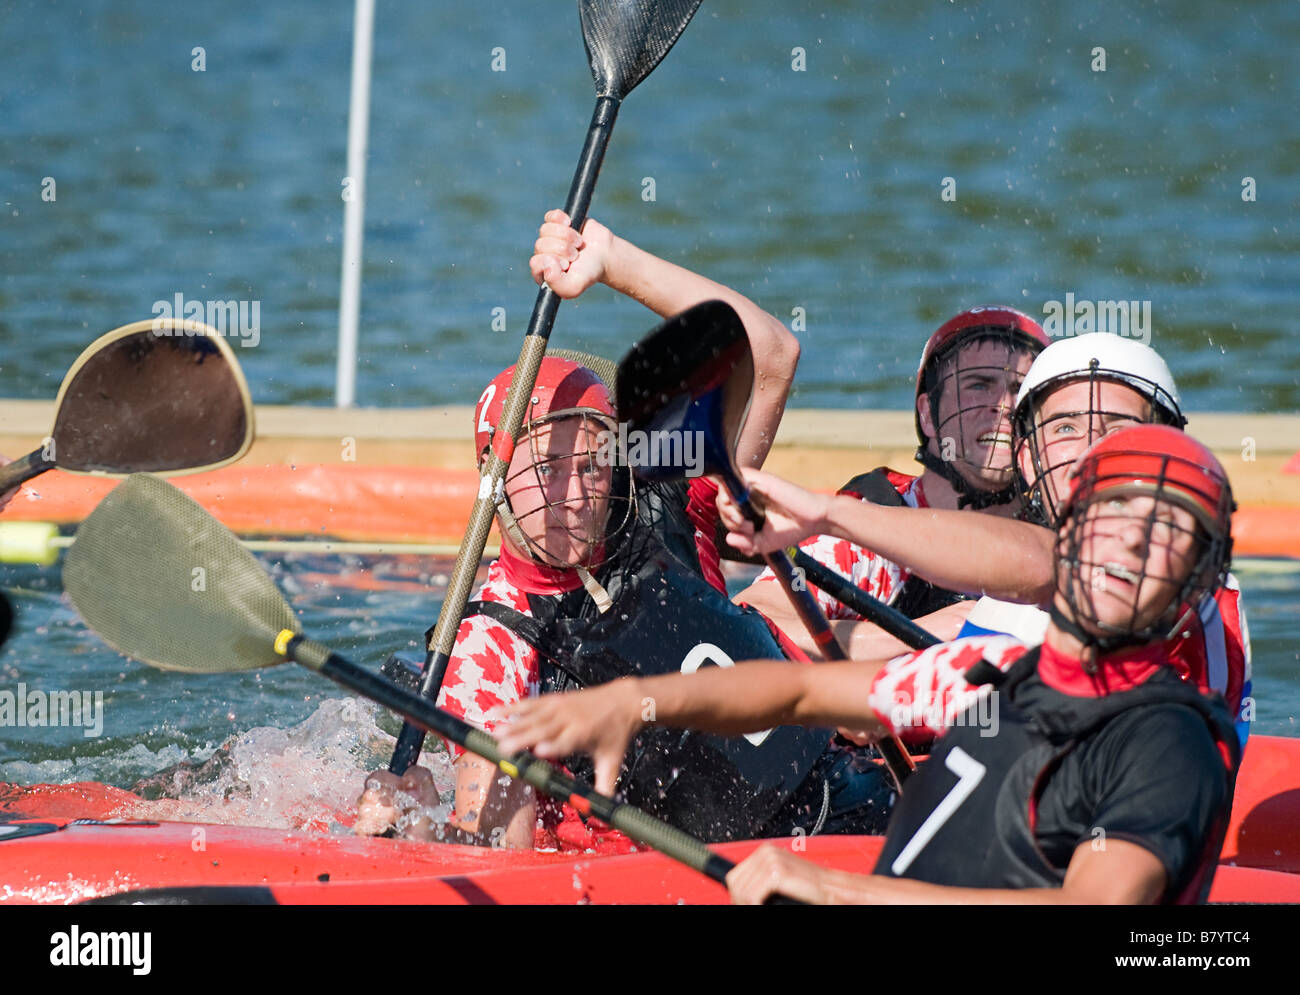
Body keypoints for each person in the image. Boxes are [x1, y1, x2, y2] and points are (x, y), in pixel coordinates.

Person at [498, 425, 1241, 904]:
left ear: (1198, 582)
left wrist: (832, 889)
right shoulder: (996, 673)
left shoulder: (1162, 739)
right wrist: (635, 701)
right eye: (1115, 520)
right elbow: (798, 689)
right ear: (1068, 536)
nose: (1132, 550)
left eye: (1166, 536)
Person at [355, 215, 891, 848]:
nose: (575, 495)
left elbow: (771, 351)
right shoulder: (488, 644)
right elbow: (505, 857)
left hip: (855, 798)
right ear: (494, 478)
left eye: (590, 465)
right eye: (547, 469)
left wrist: (612, 262)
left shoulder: (669, 501)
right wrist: (417, 835)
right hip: (695, 875)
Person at [733, 307, 1051, 661]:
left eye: (1020, 390)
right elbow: (747, 620)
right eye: (979, 386)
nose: (1004, 406)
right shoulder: (863, 533)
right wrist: (925, 634)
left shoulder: (1066, 526)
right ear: (928, 415)